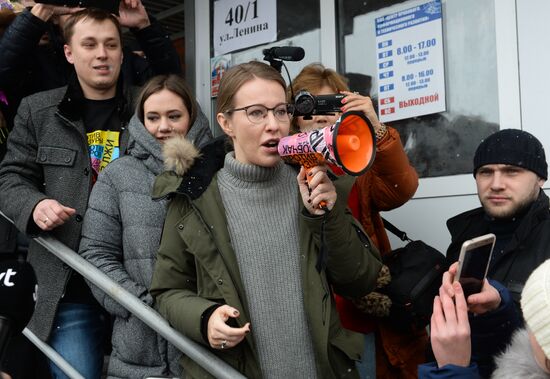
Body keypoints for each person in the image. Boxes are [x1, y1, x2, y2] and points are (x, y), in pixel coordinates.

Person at [149, 61, 383, 378]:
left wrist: (326, 217)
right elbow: (167, 291)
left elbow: (361, 279)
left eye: (281, 111)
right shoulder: (194, 197)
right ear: (226, 123)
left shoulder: (314, 181)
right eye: (257, 113)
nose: (273, 124)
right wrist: (205, 318)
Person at [0, 7, 189, 378]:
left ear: (122, 52)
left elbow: (173, 84)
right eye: (90, 44)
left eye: (110, 44)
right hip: (69, 283)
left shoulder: (150, 110)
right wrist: (35, 206)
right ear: (70, 53)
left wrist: (148, 29)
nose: (101, 54)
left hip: (145, 279)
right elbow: (9, 178)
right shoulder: (38, 111)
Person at [290, 63, 422, 378]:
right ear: (292, 115)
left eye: (330, 106)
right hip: (302, 316)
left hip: (356, 315)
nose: (320, 117)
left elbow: (400, 190)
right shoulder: (279, 167)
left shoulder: (357, 164)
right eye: (309, 107)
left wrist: (375, 128)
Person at [78, 74, 212, 378]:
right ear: (140, 121)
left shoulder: (220, 169)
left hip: (210, 343)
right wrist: (140, 305)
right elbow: (95, 252)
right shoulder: (118, 175)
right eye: (153, 117)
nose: (163, 126)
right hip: (139, 351)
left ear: (192, 117)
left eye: (174, 116)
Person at [0, 0, 181, 129]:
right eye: (74, 8)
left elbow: (170, 86)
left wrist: (144, 26)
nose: (101, 54)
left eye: (91, 7)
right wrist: (39, 12)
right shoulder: (37, 62)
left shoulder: (121, 59)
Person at [446, 129, 550, 315]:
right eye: (486, 172)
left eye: (511, 171)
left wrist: (500, 308)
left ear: (540, 178)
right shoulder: (464, 232)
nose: (496, 184)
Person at [419, 258, 550, 378]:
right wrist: (494, 314)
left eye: (534, 321)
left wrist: (453, 370)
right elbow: (500, 362)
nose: (528, 327)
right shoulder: (533, 356)